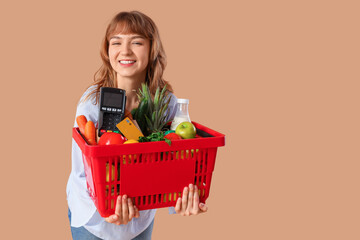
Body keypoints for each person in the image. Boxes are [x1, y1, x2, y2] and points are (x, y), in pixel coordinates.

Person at [66, 11, 208, 240]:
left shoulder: (166, 102)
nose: (125, 51)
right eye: (116, 42)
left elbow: (173, 163)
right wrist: (106, 208)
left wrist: (181, 199)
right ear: (107, 50)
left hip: (139, 219)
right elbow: (82, 174)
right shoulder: (91, 102)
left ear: (152, 49)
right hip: (93, 222)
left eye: (137, 42)